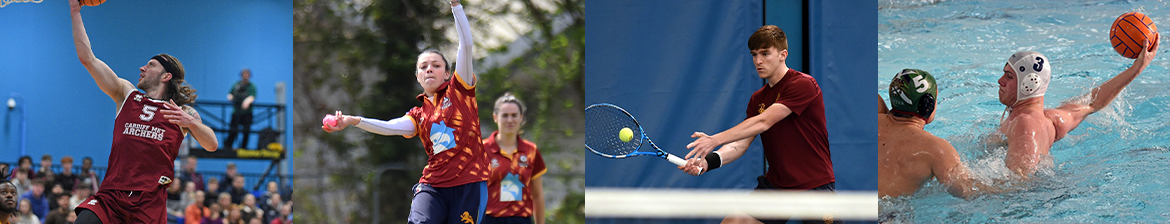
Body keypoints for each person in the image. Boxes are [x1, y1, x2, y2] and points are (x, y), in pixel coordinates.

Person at [321, 0, 489, 223]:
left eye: (436, 65)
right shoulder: (419, 115)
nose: (429, 68)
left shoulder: (460, 91)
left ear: (448, 74)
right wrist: (354, 120)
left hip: (469, 184)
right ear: (417, 77)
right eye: (423, 66)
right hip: (433, 186)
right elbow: (390, 127)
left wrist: (456, 5)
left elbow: (466, 46)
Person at [69, 1, 219, 223]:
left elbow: (212, 144)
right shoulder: (126, 94)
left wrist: (191, 122)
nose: (142, 67)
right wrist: (75, 11)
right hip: (111, 197)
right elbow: (87, 58)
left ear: (166, 76)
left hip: (148, 206)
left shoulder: (181, 112)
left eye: (150, 65)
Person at [677, 25, 834, 224]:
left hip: (814, 185)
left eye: (765, 53)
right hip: (778, 185)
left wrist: (714, 139)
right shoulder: (757, 99)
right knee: (734, 221)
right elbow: (739, 144)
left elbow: (764, 121)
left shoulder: (803, 84)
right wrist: (708, 161)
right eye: (754, 54)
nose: (758, 61)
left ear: (782, 54)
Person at [995, 34, 1158, 178]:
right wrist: (1137, 68)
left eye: (1009, 76)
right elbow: (1093, 102)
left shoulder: (1025, 126)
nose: (1000, 81)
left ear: (1029, 84)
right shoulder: (1051, 119)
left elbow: (1018, 183)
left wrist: (969, 183)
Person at [481, 93, 546, 224]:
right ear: (495, 117)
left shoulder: (531, 151)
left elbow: (537, 196)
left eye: (514, 115)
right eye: (505, 115)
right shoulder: (482, 150)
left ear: (521, 117)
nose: (510, 120)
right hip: (489, 219)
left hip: (521, 220)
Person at [225, 69, 257, 150]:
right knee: (233, 129)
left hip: (247, 113)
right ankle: (228, 146)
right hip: (236, 111)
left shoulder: (252, 86)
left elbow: (252, 96)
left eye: (247, 74)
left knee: (246, 131)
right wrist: (231, 97)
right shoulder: (236, 85)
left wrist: (247, 101)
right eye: (244, 74)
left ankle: (243, 147)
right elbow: (230, 94)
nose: (245, 76)